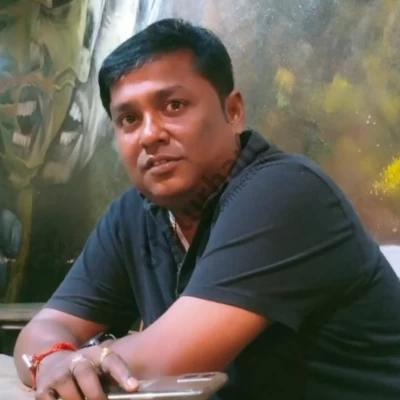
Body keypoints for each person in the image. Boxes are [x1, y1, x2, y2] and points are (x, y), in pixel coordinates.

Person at [13, 18, 400, 400]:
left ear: (233, 112)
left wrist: (80, 361)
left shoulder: (284, 192)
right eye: (129, 119)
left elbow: (170, 358)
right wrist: (52, 358)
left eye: (174, 105)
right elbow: (43, 330)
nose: (149, 134)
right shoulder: (135, 213)